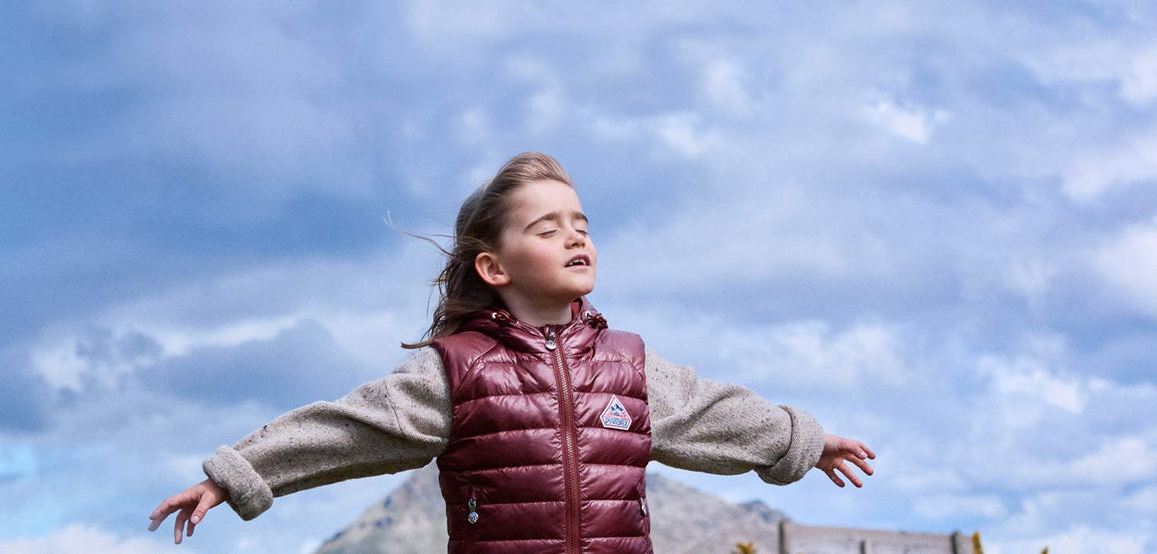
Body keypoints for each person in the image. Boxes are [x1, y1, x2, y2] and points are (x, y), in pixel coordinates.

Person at [149, 152, 875, 552]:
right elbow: (350, 428)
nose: (574, 237)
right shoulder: (456, 370)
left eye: (581, 223)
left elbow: (718, 414)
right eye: (547, 227)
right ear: (495, 267)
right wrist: (236, 473)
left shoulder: (629, 366)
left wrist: (801, 440)